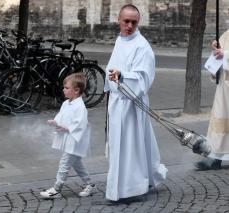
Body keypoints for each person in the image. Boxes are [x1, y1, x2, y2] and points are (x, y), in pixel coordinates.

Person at [104, 4, 168, 201]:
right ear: (119, 20)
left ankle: (132, 188)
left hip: (132, 104)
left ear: (138, 22)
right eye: (126, 21)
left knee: (131, 147)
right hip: (117, 102)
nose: (129, 26)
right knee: (120, 147)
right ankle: (124, 185)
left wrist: (122, 76)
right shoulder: (121, 40)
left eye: (134, 22)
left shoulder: (142, 46)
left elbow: (143, 78)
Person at [40, 73, 96, 198]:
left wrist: (68, 128)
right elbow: (61, 115)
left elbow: (81, 124)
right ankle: (90, 183)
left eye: (66, 88)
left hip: (75, 140)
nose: (63, 90)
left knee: (64, 164)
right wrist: (56, 122)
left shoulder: (80, 107)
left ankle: (56, 189)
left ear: (76, 90)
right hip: (69, 139)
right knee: (77, 164)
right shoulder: (66, 103)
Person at [195, 29, 229, 170]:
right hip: (224, 86)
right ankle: (215, 156)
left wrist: (225, 55)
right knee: (220, 119)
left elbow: (225, 54)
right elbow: (219, 54)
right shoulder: (227, 34)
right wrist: (216, 49)